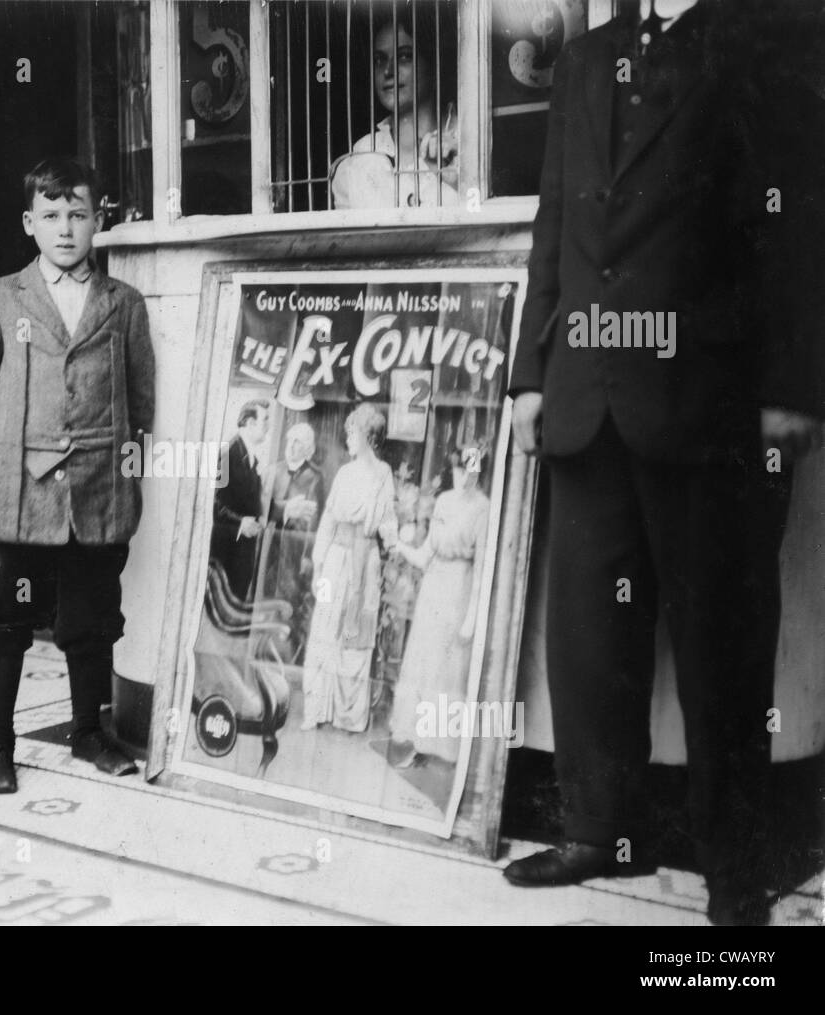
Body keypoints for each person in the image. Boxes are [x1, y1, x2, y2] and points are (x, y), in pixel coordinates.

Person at [501, 0, 824, 925]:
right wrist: (530, 376)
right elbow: (553, 221)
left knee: (724, 644)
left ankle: (736, 872)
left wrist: (795, 388)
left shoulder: (768, 40)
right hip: (584, 397)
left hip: (710, 404)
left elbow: (800, 226)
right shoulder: (585, 60)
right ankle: (598, 828)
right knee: (587, 634)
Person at [0, 157, 155, 794]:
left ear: (98, 221)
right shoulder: (1, 298)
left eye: (79, 215)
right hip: (16, 490)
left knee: (91, 620)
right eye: (52, 216)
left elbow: (141, 403)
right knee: (5, 617)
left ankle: (89, 732)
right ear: (30, 222)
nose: (66, 229)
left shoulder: (124, 305)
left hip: (96, 489)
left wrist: (130, 477)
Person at [384, 447, 490, 767]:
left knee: (446, 670)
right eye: (459, 471)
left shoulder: (484, 509)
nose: (464, 478)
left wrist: (471, 618)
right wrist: (400, 546)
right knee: (423, 663)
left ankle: (440, 748)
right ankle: (415, 742)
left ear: (479, 473)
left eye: (470, 471)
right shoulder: (443, 502)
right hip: (433, 586)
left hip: (458, 588)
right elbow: (426, 552)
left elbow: (482, 568)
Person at [301, 404, 396, 733]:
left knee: (357, 636)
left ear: (369, 436)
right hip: (336, 561)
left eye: (352, 432)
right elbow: (328, 519)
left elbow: (387, 523)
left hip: (364, 562)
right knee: (324, 627)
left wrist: (396, 539)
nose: (347, 438)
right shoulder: (343, 473)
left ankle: (349, 716)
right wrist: (318, 564)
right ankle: (316, 710)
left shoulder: (383, 473)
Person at [332, 8, 459, 209]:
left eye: (404, 57)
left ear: (434, 61)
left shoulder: (469, 142)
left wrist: (457, 181)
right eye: (379, 60)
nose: (388, 71)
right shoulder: (358, 159)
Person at [261, 422, 327, 658]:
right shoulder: (272, 471)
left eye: (298, 442)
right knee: (264, 600)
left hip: (294, 553)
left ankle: (285, 654)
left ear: (308, 448)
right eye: (290, 440)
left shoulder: (314, 477)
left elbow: (314, 520)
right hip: (269, 551)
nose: (291, 446)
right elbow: (262, 509)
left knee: (289, 603)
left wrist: (308, 556)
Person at [211, 399, 270, 601]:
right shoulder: (229, 453)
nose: (268, 426)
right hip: (226, 553)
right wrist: (239, 523)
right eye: (265, 420)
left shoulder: (251, 458)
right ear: (250, 423)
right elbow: (213, 503)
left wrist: (261, 516)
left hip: (241, 552)